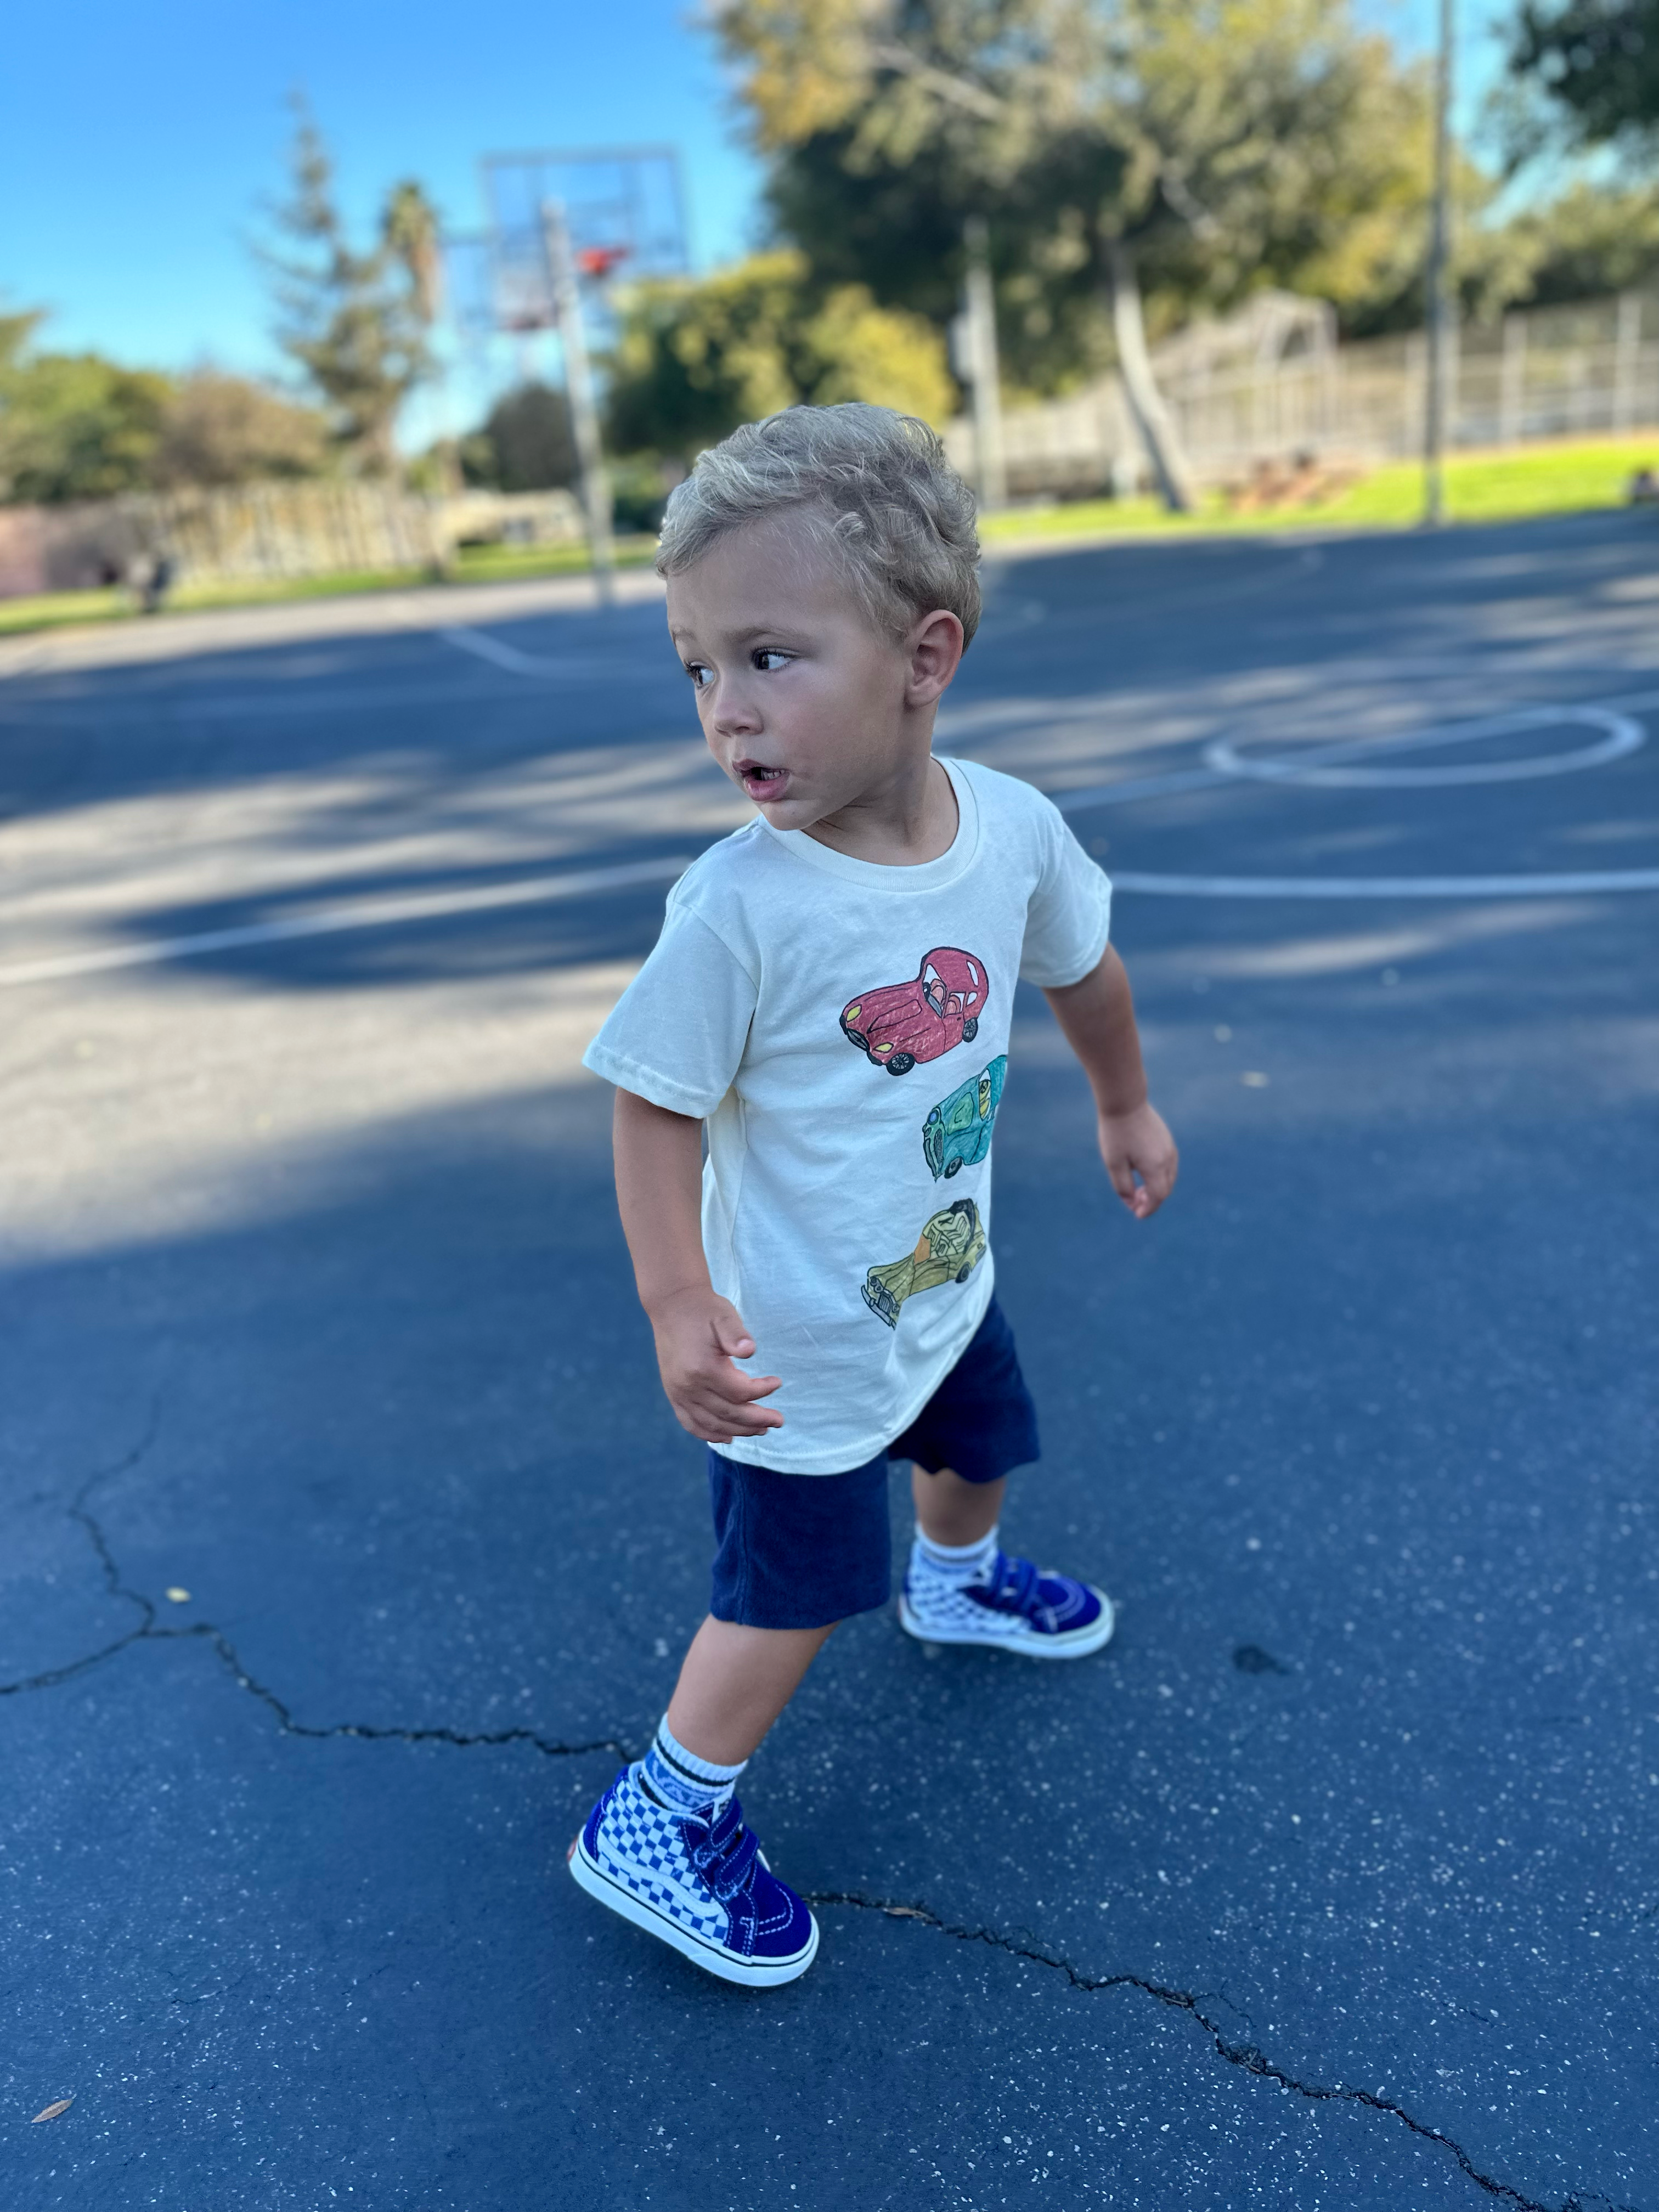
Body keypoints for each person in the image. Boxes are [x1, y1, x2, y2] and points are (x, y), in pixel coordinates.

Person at [569, 404, 1178, 1987]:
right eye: (697, 667)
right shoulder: (740, 909)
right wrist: (677, 1304)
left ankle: (961, 1585)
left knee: (980, 1446)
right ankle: (662, 1812)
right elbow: (652, 1106)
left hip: (936, 1267)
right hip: (796, 1348)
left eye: (770, 657)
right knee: (786, 1601)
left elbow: (1087, 972)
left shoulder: (1012, 832)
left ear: (926, 656)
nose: (724, 711)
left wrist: (1123, 1099)